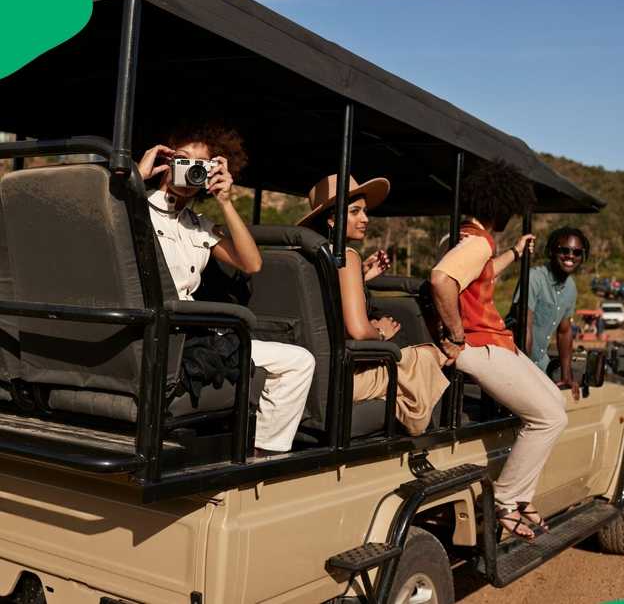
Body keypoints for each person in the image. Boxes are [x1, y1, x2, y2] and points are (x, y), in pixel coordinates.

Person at [138, 123, 314, 457]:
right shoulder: (137, 209)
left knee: (298, 360)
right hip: (162, 332)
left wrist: (226, 201)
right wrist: (136, 174)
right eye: (183, 159)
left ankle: (261, 452)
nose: (190, 169)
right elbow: (104, 213)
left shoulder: (198, 225)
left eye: (200, 165)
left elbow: (251, 264)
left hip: (194, 332)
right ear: (167, 160)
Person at [429, 161, 567, 540]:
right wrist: (457, 335)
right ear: (503, 207)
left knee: (554, 401)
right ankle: (506, 500)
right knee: (548, 418)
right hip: (479, 344)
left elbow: (481, 272)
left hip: (492, 341)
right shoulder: (476, 242)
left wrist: (515, 253)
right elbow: (441, 281)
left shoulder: (467, 238)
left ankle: (521, 497)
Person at [298, 174, 450, 437]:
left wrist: (361, 278)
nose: (365, 219)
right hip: (347, 376)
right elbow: (358, 331)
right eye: (355, 211)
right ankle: (427, 437)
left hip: (312, 375)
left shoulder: (310, 256)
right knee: (431, 356)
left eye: (365, 212)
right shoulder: (347, 255)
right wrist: (381, 334)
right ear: (332, 219)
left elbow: (326, 298)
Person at [516, 226, 590, 398]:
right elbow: (524, 327)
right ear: (551, 251)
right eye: (564, 250)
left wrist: (566, 376)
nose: (570, 256)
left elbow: (564, 332)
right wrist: (524, 373)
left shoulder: (571, 287)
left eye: (577, 252)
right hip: (518, 361)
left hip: (541, 364)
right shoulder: (534, 278)